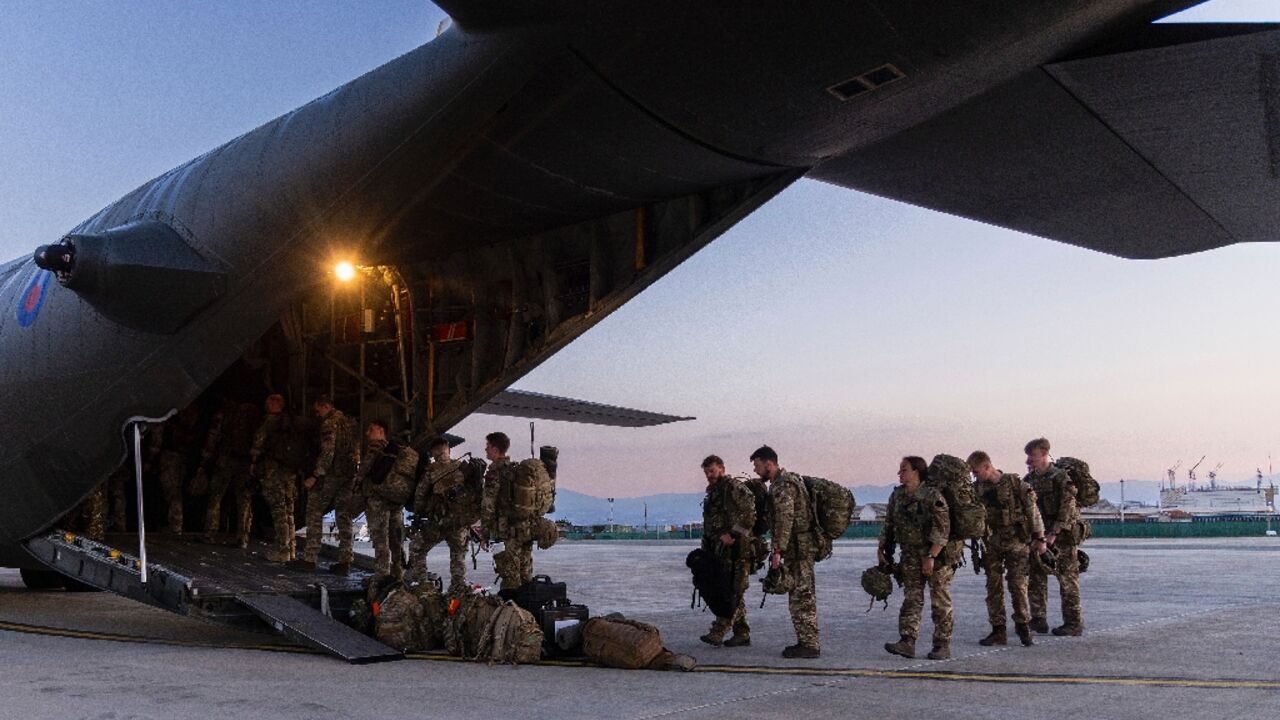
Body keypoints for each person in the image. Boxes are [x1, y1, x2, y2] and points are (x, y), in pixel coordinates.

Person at [968, 450, 1047, 647]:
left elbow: (1033, 512)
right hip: (991, 542)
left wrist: (1040, 538)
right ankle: (998, 630)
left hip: (1016, 542)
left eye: (976, 472)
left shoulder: (1015, 484)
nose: (975, 476)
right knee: (993, 587)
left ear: (987, 466)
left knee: (1017, 585)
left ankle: (1023, 626)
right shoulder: (976, 489)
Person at [880, 456, 955, 660]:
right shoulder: (898, 496)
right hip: (910, 554)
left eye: (904, 469)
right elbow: (889, 524)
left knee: (939, 600)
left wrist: (931, 556)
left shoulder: (932, 496)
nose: (900, 474)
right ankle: (907, 641)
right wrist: (882, 548)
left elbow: (943, 529)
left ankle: (942, 644)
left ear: (916, 472)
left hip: (935, 555)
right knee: (912, 598)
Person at [753, 445, 819, 659]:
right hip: (800, 546)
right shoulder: (788, 481)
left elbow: (784, 519)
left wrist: (777, 551)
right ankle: (807, 641)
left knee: (801, 595)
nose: (756, 471)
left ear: (768, 463)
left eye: (757, 465)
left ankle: (809, 644)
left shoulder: (782, 486)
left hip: (798, 548)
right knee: (801, 593)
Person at [289, 396, 359, 574]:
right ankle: (345, 561)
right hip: (348, 475)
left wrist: (315, 475)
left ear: (326, 406)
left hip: (331, 475)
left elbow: (328, 452)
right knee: (344, 516)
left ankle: (310, 558)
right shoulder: (350, 424)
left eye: (318, 410)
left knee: (314, 512)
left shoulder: (329, 424)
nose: (317, 414)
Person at [1024, 437, 1084, 636]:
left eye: (1032, 456)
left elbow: (1068, 508)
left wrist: (1054, 534)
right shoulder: (1030, 480)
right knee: (1036, 578)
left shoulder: (1060, 477)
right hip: (1039, 536)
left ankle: (1073, 623)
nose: (1029, 461)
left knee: (1067, 580)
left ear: (1044, 454)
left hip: (1063, 536)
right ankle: (1038, 619)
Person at [699, 454, 757, 648]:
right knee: (732, 590)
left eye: (712, 471)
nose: (709, 475)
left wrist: (733, 534)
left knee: (731, 591)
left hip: (738, 551)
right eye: (706, 472)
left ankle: (718, 632)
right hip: (720, 551)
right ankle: (741, 633)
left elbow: (750, 514)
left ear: (722, 469)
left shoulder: (733, 488)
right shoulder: (715, 493)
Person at [408, 436, 479, 592]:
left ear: (433, 453)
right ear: (448, 450)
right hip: (460, 523)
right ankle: (458, 588)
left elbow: (420, 495)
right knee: (458, 556)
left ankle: (422, 584)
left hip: (439, 523)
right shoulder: (462, 467)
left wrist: (419, 512)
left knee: (416, 548)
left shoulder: (431, 471)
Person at [356, 420, 417, 579]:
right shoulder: (398, 450)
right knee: (396, 541)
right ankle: (399, 575)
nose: (367, 433)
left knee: (380, 541)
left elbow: (363, 471)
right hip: (395, 501)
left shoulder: (376, 448)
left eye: (371, 429)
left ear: (381, 430)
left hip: (378, 502)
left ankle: (382, 577)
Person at [248, 395, 306, 561]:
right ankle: (291, 549)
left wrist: (253, 463)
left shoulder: (269, 423)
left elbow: (258, 443)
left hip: (273, 470)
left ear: (274, 404)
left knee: (278, 510)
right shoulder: (291, 423)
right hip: (289, 471)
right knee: (289, 510)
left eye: (269, 401)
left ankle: (282, 549)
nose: (266, 403)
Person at [480, 431, 538, 591]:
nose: (485, 450)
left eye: (488, 447)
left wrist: (484, 533)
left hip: (507, 533)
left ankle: (513, 612)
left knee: (510, 577)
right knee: (525, 575)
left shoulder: (494, 473)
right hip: (525, 530)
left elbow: (488, 506)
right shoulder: (516, 470)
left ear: (495, 449)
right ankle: (528, 610)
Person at [198, 400, 259, 545]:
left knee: (216, 496)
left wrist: (205, 459)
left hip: (226, 458)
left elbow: (213, 436)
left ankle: (209, 532)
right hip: (245, 461)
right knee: (244, 499)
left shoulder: (226, 413)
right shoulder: (254, 415)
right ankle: (243, 536)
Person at [147, 405, 202, 534]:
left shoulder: (177, 417)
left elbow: (159, 439)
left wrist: (150, 458)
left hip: (173, 456)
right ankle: (174, 523)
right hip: (179, 456)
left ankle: (175, 525)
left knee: (172, 491)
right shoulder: (187, 416)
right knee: (172, 491)